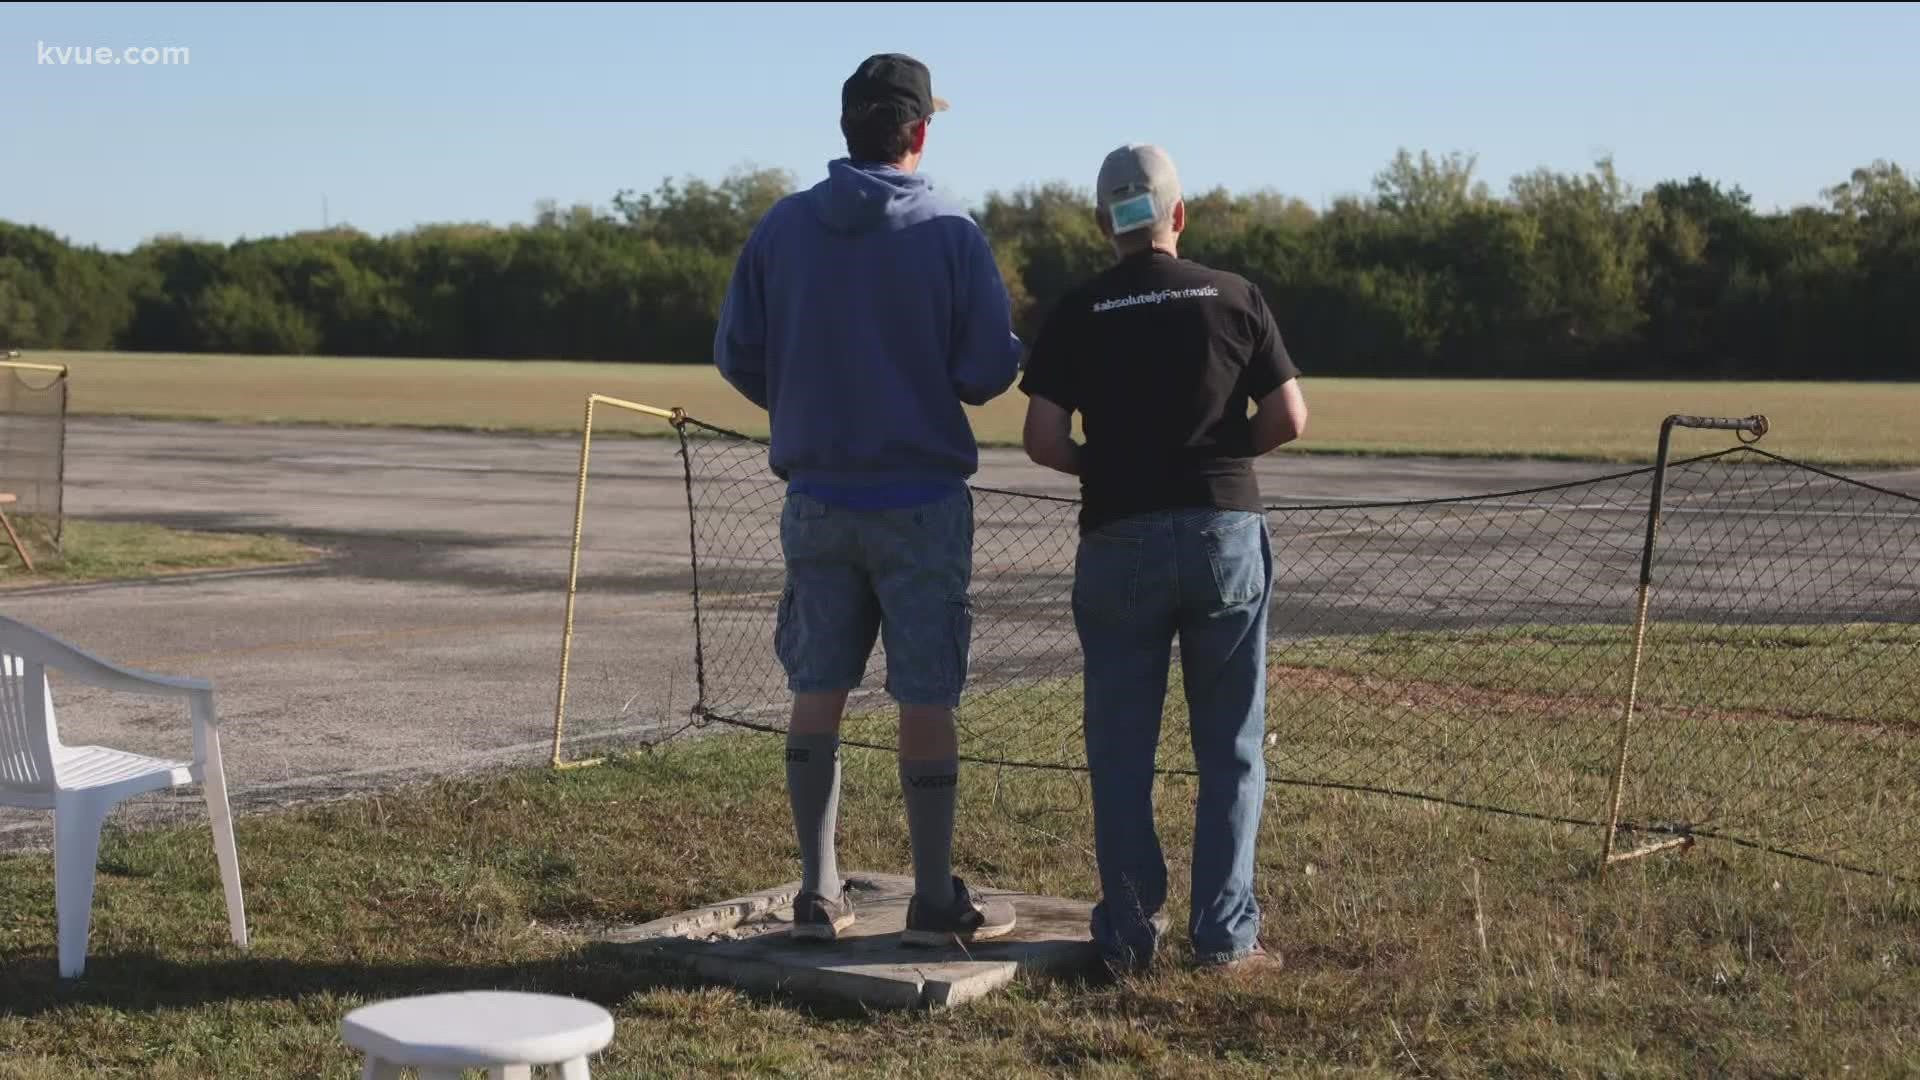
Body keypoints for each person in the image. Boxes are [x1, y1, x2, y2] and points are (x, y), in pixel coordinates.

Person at [713, 53, 1024, 947]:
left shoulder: (781, 230)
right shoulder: (953, 233)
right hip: (921, 500)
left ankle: (817, 892)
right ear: (920, 132)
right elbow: (982, 372)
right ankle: (933, 899)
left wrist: (811, 402)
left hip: (816, 497)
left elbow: (738, 353)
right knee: (926, 695)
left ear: (846, 129)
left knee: (817, 687)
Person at [1018, 143, 1309, 975]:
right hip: (1222, 534)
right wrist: (1220, 457)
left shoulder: (1078, 309)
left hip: (1120, 540)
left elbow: (1042, 438)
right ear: (1178, 215)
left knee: (1120, 750)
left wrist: (1107, 469)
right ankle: (1224, 939)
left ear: (1106, 222)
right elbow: (1290, 416)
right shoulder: (1234, 296)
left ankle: (1131, 935)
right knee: (1232, 748)